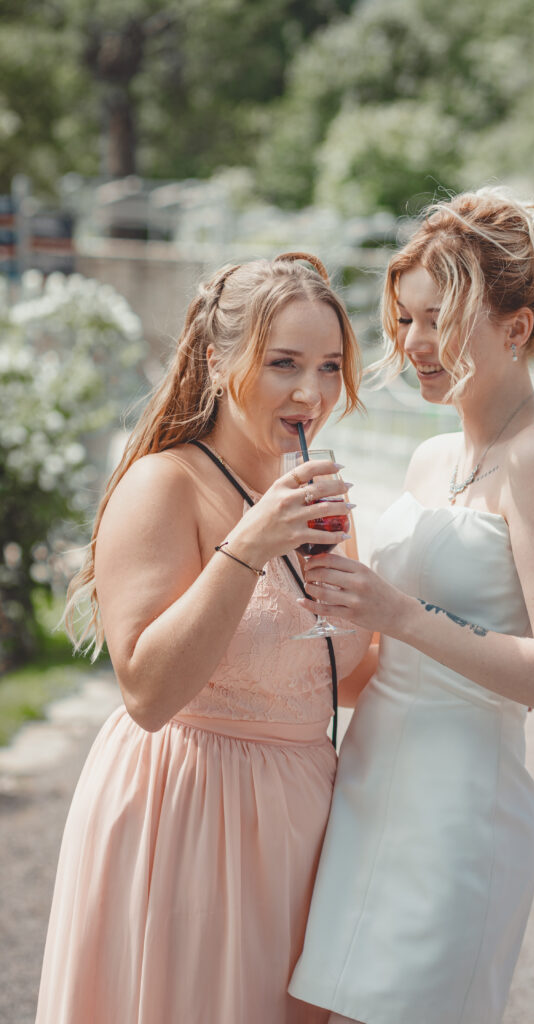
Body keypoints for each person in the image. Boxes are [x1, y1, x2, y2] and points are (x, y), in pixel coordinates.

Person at [288, 189, 534, 1024]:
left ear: (518, 326)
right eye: (405, 319)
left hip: (456, 813)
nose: (414, 344)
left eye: (439, 319)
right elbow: (385, 652)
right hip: (365, 785)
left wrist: (395, 613)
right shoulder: (431, 459)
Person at [35, 252, 371, 1024]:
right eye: (283, 362)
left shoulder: (312, 494)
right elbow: (147, 692)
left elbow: (341, 678)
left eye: (328, 366)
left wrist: (392, 607)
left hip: (303, 825)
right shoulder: (165, 484)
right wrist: (249, 548)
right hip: (186, 816)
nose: (311, 392)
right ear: (218, 360)